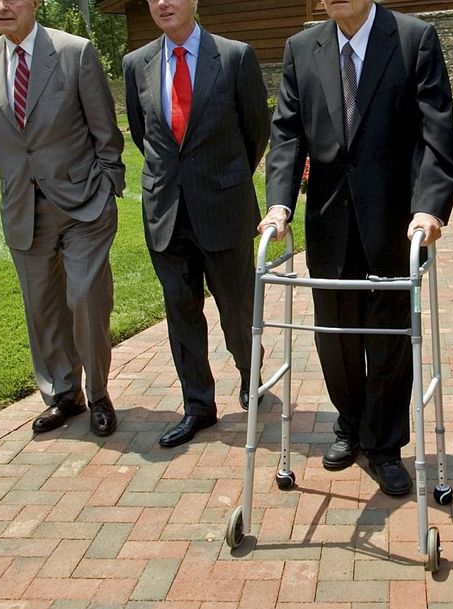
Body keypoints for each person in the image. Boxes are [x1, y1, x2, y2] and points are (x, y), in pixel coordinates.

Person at [261, 0, 453, 496]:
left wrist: (430, 206)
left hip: (396, 224)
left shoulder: (413, 40)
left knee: (389, 338)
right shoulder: (301, 49)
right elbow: (287, 135)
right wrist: (279, 204)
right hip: (329, 225)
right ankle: (350, 423)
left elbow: (437, 134)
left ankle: (386, 443)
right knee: (336, 337)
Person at [0, 0, 125, 437]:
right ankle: (65, 396)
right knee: (42, 308)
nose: (1, 5)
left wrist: (107, 185)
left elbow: (106, 131)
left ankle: (100, 393)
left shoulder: (74, 52)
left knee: (86, 298)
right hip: (21, 210)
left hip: (83, 204)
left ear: (34, 4)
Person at [123, 0, 270, 448]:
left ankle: (250, 372)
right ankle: (198, 406)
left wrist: (222, 178)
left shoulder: (234, 56)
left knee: (237, 308)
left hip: (223, 208)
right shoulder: (136, 64)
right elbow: (140, 131)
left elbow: (256, 131)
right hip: (166, 212)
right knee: (181, 314)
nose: (163, 3)